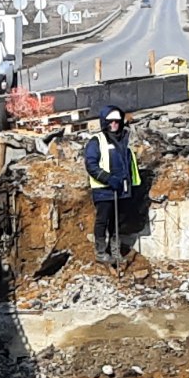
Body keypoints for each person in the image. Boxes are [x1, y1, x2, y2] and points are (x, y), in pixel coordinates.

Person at [81, 106, 141, 262]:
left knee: (117, 222)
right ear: (104, 122)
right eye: (110, 121)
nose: (114, 124)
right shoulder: (97, 141)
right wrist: (108, 179)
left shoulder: (125, 139)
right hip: (104, 189)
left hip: (122, 189)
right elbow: (91, 165)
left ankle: (115, 251)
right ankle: (101, 252)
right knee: (103, 220)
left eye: (117, 121)